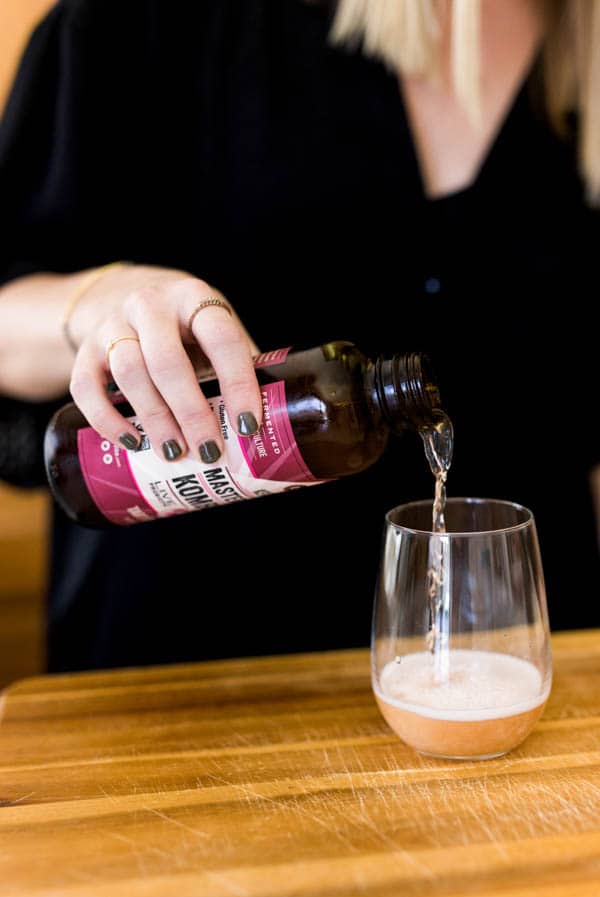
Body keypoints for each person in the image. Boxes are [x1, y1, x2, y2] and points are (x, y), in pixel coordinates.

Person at [0, 0, 598, 673]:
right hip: (188, 678)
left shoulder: (583, 52)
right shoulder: (138, 27)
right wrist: (95, 303)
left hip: (523, 668)